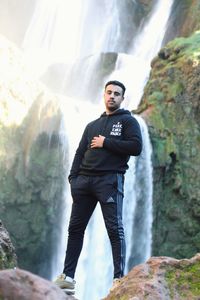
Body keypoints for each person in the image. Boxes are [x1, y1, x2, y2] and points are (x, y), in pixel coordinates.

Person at [54, 80, 142, 294]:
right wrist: (73, 179)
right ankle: (68, 278)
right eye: (109, 92)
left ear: (122, 98)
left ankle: (118, 278)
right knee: (75, 229)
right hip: (84, 182)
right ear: (104, 95)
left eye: (117, 93)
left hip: (109, 181)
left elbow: (136, 147)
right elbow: (79, 152)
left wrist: (106, 142)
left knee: (114, 228)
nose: (112, 96)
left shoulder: (128, 121)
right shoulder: (92, 125)